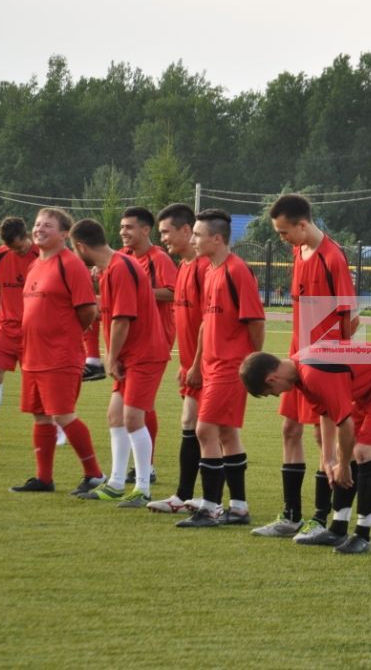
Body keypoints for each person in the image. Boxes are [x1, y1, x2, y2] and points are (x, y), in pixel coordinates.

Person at [252, 194, 358, 540]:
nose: (283, 239)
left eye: (285, 233)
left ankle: (319, 517)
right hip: (297, 357)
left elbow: (350, 317)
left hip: (322, 361)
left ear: (303, 224)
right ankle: (291, 515)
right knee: (289, 431)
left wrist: (331, 357)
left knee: (319, 435)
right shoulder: (299, 252)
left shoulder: (333, 258)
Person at [241, 346, 371, 554]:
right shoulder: (300, 370)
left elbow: (345, 424)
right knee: (343, 450)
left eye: (271, 392)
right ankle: (338, 529)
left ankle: (362, 535)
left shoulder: (313, 373)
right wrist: (329, 459)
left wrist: (343, 465)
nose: (277, 394)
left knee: (363, 452)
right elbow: (327, 414)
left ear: (272, 379)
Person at [70, 218, 169, 507]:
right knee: (115, 416)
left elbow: (123, 319)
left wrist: (110, 357)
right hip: (131, 354)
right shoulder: (113, 267)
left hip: (144, 355)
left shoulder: (121, 268)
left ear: (81, 246)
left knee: (133, 418)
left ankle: (142, 488)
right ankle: (114, 483)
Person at [176, 209, 265, 528]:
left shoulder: (236, 271)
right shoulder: (211, 270)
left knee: (204, 430)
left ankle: (210, 508)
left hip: (231, 367)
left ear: (216, 239)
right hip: (212, 366)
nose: (193, 240)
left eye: (197, 235)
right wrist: (196, 363)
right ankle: (238, 508)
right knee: (226, 433)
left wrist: (253, 362)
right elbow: (205, 324)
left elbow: (255, 319)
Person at [9, 207, 105, 494]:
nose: (39, 229)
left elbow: (88, 309)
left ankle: (94, 475)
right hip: (33, 356)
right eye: (37, 224)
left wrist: (67, 335)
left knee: (63, 414)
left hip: (60, 355)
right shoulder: (35, 265)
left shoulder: (71, 264)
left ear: (64, 233)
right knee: (40, 415)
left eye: (47, 225)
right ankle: (44, 479)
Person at [0, 217, 66, 448]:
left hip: (35, 331)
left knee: (42, 381)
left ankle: (60, 429)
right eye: (11, 247)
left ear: (27, 236)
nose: (16, 251)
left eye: (20, 246)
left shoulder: (43, 257)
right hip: (6, 326)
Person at [148, 203, 207, 514]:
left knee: (207, 429)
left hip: (209, 365)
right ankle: (187, 497)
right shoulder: (184, 267)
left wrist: (196, 363)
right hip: (191, 365)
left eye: (167, 232)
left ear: (187, 231)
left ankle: (212, 500)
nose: (164, 239)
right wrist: (185, 364)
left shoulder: (204, 268)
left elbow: (209, 323)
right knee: (196, 426)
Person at [118, 206, 178, 483]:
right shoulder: (123, 257)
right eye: (121, 227)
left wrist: (136, 291)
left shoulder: (159, 259)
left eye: (129, 227)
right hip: (129, 342)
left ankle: (146, 469)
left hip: (153, 340)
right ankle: (128, 471)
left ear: (145, 230)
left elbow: (171, 293)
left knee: (142, 404)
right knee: (134, 405)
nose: (124, 232)